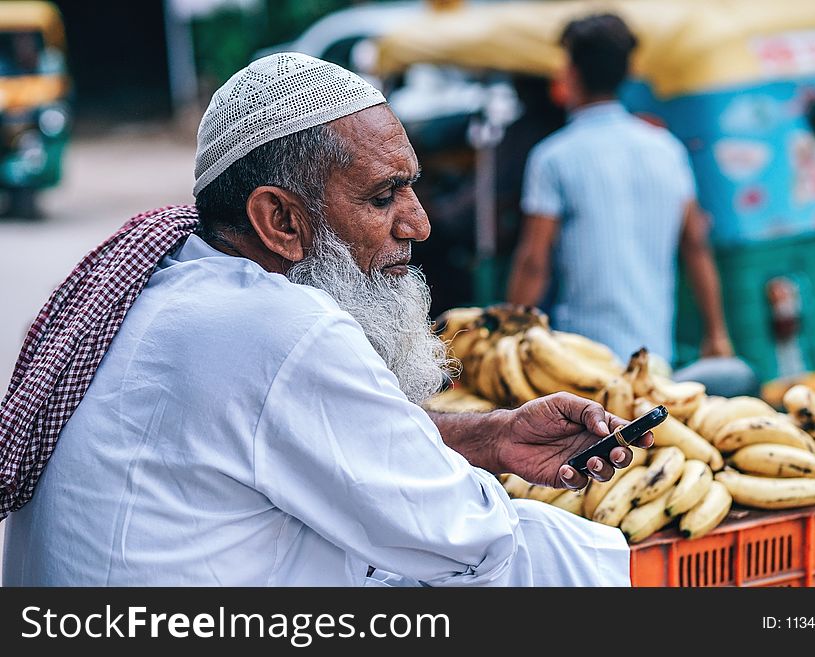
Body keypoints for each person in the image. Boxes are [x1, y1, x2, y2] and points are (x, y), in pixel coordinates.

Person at [0, 53, 651, 587]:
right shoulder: (276, 325)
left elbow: (304, 438)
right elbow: (470, 538)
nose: (418, 222)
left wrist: (491, 436)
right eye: (383, 195)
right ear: (279, 220)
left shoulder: (178, 288)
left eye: (412, 186)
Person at [506, 14, 758, 396]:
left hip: (582, 363)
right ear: (626, 73)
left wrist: (507, 344)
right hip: (657, 356)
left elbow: (533, 262)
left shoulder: (553, 157)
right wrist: (716, 334)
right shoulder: (666, 148)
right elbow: (696, 245)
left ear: (570, 73)